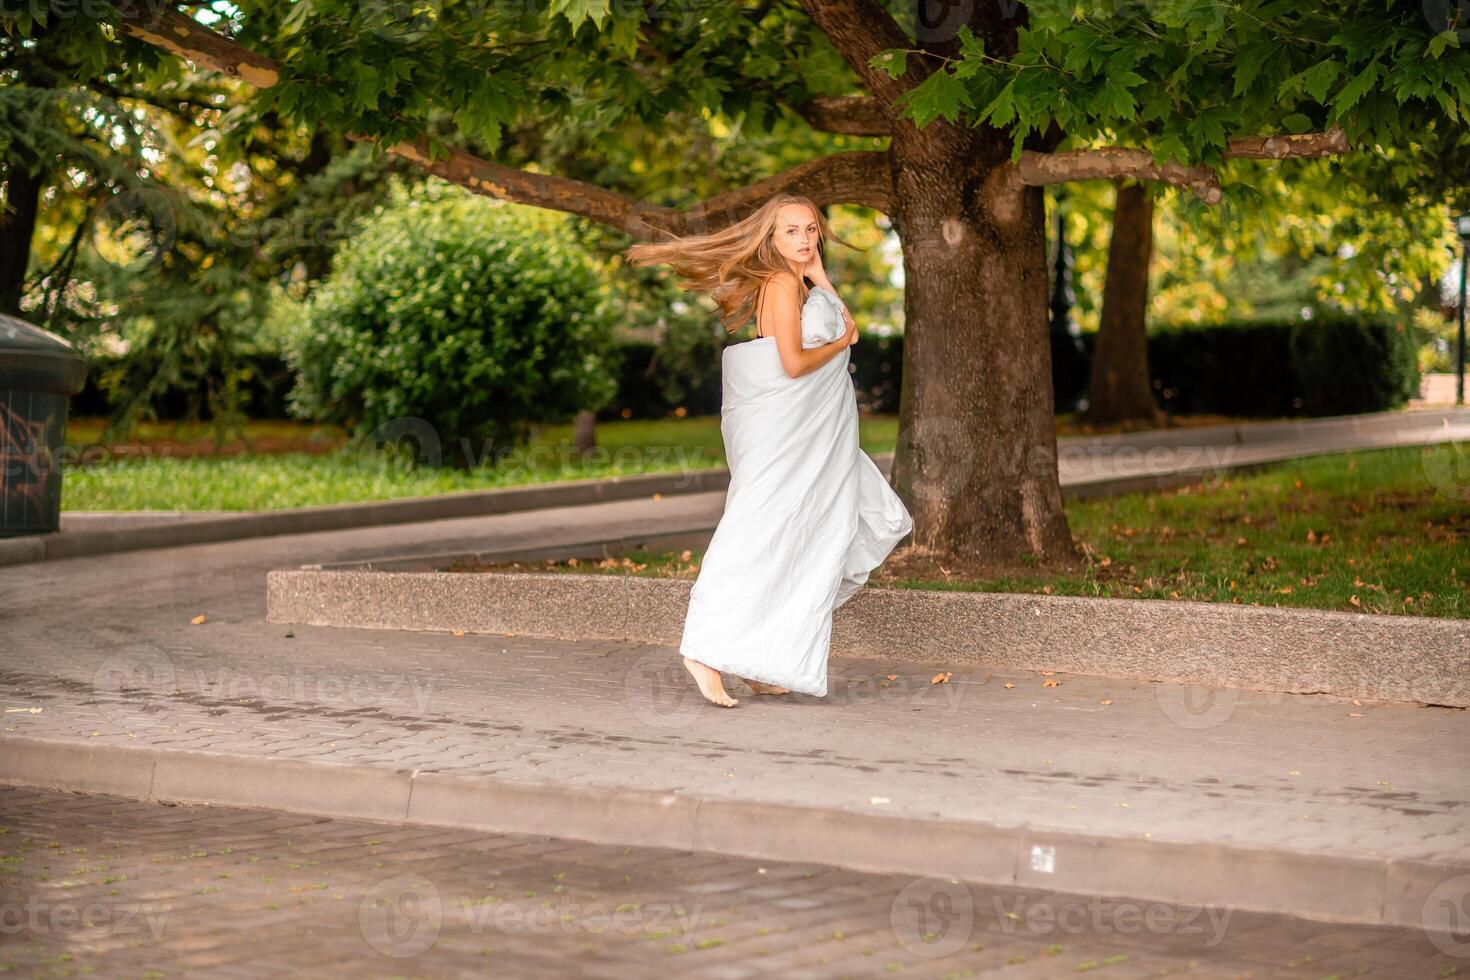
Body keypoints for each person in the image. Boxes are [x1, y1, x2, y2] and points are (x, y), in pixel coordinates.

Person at [623, 193, 914, 707]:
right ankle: (705, 649)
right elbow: (795, 364)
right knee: (763, 530)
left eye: (810, 230)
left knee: (805, 535)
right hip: (792, 436)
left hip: (817, 437)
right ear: (771, 240)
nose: (804, 240)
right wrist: (840, 344)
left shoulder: (799, 281)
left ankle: (756, 658)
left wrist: (822, 277)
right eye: (791, 232)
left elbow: (852, 329)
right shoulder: (780, 284)